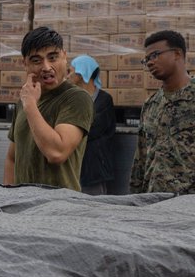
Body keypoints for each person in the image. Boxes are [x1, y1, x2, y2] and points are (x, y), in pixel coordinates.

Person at [3, 27, 92, 190]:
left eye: (53, 57)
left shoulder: (76, 98)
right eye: (36, 60)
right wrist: (7, 195)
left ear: (64, 56)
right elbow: (12, 158)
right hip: (22, 203)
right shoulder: (24, 102)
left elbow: (57, 153)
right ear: (25, 64)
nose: (46, 67)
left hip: (59, 203)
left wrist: (30, 105)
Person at [131, 30, 195, 195]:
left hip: (188, 203)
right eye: (146, 59)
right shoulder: (151, 104)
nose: (150, 63)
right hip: (154, 200)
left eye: (155, 55)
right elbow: (141, 158)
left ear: (177, 54)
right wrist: (134, 199)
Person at [69, 55, 116, 195]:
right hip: (73, 169)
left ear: (82, 73)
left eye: (71, 71)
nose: (68, 76)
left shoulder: (104, 101)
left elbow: (90, 129)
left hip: (93, 170)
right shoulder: (72, 99)